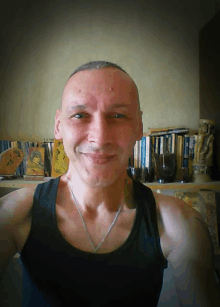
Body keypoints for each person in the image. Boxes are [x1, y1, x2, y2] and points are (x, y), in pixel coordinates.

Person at [0, 61, 220, 307]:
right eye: (80, 115)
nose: (100, 137)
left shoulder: (179, 224)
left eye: (118, 115)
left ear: (139, 126)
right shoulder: (15, 214)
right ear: (59, 125)